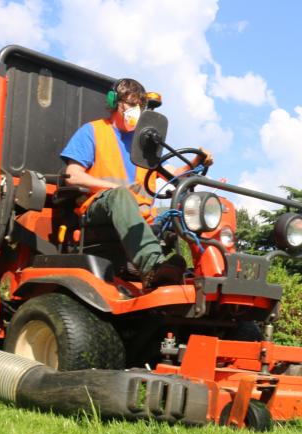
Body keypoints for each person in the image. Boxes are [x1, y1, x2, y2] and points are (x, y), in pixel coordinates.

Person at [59, 77, 211, 284]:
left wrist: (197, 161)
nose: (136, 111)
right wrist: (114, 188)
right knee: (120, 195)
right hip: (98, 209)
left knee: (187, 209)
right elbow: (73, 175)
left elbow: (173, 174)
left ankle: (203, 272)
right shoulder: (92, 131)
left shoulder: (143, 143)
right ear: (114, 102)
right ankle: (152, 267)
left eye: (140, 106)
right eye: (131, 105)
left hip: (140, 214)